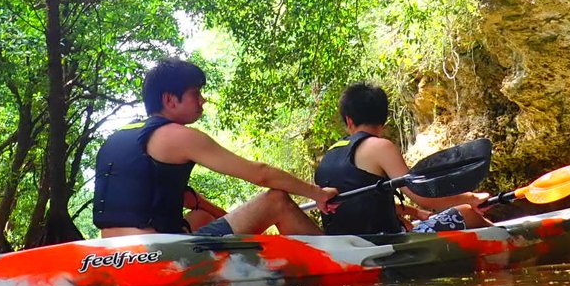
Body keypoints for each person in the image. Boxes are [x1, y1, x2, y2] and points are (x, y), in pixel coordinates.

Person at [93, 58, 338, 237]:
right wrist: (318, 194)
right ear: (169, 99)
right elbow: (260, 173)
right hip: (158, 253)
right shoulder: (179, 136)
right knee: (276, 200)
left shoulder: (117, 138)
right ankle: (336, 260)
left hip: (116, 252)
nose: (203, 100)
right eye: (195, 93)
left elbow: (183, 197)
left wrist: (223, 215)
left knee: (203, 216)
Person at [314, 82, 491, 235]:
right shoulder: (381, 147)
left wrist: (414, 213)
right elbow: (422, 196)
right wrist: (471, 198)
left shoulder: (329, 154)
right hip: (385, 242)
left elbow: (357, 203)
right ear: (383, 119)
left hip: (344, 241)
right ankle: (515, 242)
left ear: (349, 120)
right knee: (468, 213)